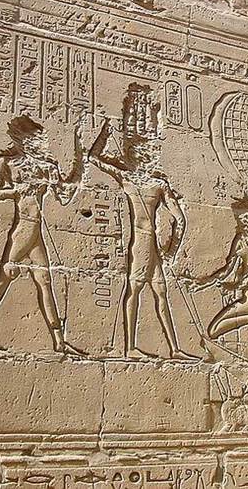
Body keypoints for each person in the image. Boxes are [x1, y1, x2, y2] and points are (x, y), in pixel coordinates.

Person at [89, 83, 198, 362]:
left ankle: (171, 348)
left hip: (145, 244)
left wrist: (105, 133)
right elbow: (180, 220)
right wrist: (171, 250)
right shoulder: (151, 183)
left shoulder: (134, 178)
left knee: (152, 292)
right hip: (144, 245)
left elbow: (94, 157)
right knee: (142, 291)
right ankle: (133, 347)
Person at [0, 114, 86, 355]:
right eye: (37, 141)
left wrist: (79, 158)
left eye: (42, 141)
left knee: (44, 281)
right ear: (25, 141)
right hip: (22, 230)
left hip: (36, 233)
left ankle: (59, 341)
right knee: (5, 276)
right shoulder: (8, 162)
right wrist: (19, 189)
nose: (42, 145)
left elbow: (64, 196)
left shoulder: (47, 167)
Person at [185, 198, 248, 340]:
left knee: (213, 332)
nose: (237, 221)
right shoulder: (240, 240)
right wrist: (202, 284)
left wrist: (234, 287)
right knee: (213, 331)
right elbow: (226, 270)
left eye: (239, 218)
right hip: (246, 297)